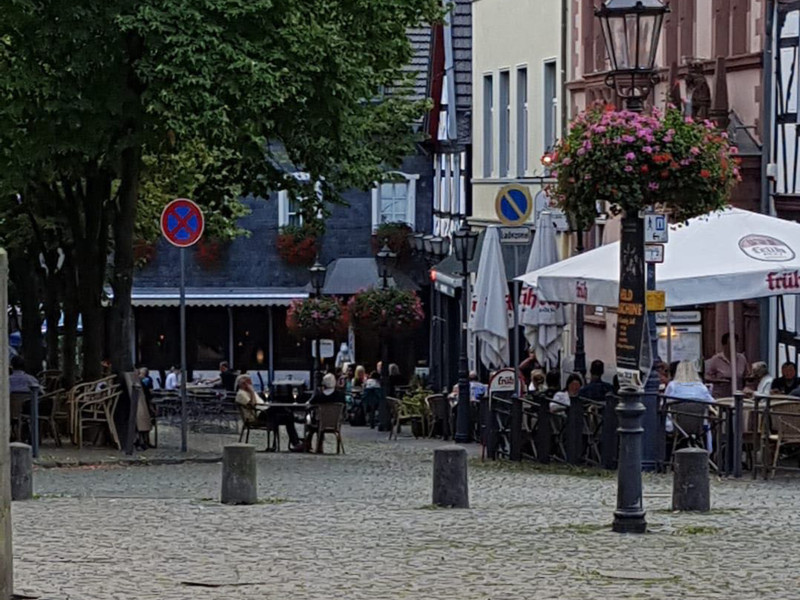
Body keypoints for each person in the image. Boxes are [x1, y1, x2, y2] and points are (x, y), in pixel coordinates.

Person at [235, 374, 303, 452]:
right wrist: (251, 392)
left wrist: (252, 392)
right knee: (277, 405)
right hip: (258, 414)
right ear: (244, 383)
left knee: (288, 417)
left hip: (265, 411)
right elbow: (253, 405)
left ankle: (296, 443)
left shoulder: (251, 392)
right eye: (249, 382)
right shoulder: (241, 394)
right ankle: (296, 418)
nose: (251, 383)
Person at [664, 361, 715, 450]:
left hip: (677, 426)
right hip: (698, 427)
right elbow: (712, 402)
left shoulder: (672, 386)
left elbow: (664, 403)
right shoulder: (701, 387)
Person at [705, 333, 750, 399]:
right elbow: (707, 377)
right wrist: (719, 380)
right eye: (730, 344)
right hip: (721, 397)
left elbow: (747, 376)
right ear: (724, 345)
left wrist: (747, 387)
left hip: (738, 396)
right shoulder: (716, 359)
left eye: (735, 344)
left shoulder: (742, 359)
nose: (733, 347)